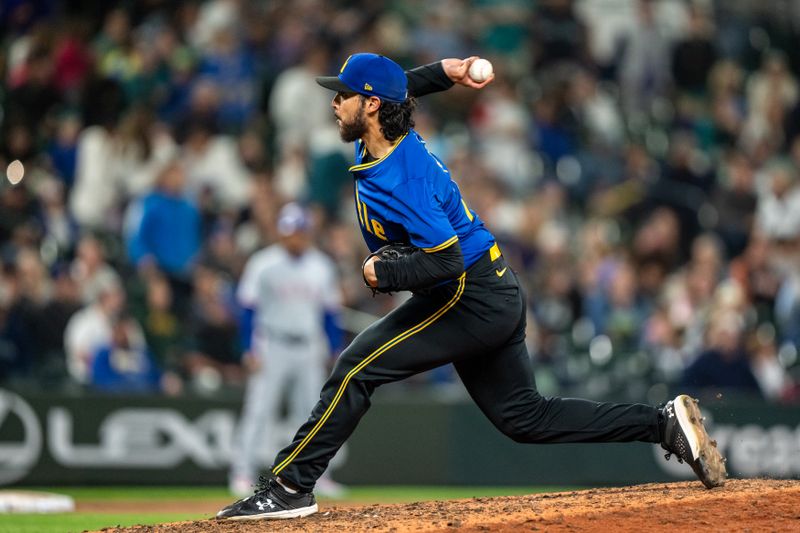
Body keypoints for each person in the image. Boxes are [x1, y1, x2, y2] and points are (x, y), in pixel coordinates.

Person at [217, 54, 726, 521]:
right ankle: (662, 424)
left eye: (343, 94)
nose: (334, 101)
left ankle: (287, 487)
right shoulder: (383, 131)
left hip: (468, 293)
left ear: (370, 106)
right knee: (525, 417)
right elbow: (401, 88)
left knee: (356, 367)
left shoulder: (401, 176)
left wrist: (384, 274)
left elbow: (446, 259)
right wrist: (446, 71)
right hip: (492, 286)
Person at [228, 202, 344, 498]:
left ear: (307, 233)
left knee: (316, 412)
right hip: (272, 344)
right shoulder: (263, 263)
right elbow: (247, 310)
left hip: (308, 346)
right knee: (258, 410)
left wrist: (334, 348)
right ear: (281, 233)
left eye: (299, 231)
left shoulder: (321, 266)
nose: (294, 237)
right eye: (289, 231)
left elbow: (330, 313)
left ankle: (321, 476)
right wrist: (248, 348)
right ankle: (241, 472)